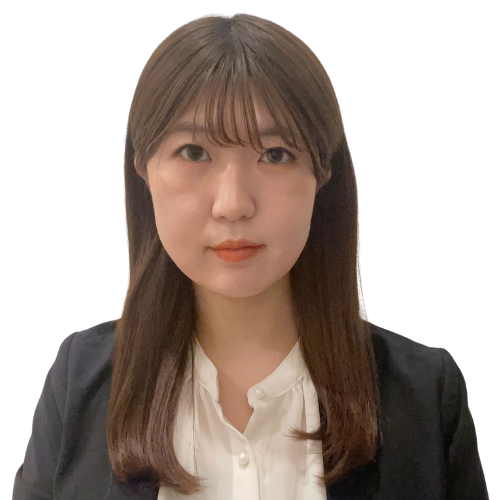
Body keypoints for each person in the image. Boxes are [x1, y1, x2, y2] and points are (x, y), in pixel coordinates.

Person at [12, 12, 488, 499]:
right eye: (194, 152)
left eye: (275, 154)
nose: (233, 203)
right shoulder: (79, 381)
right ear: (144, 170)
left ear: (322, 174)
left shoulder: (425, 397)